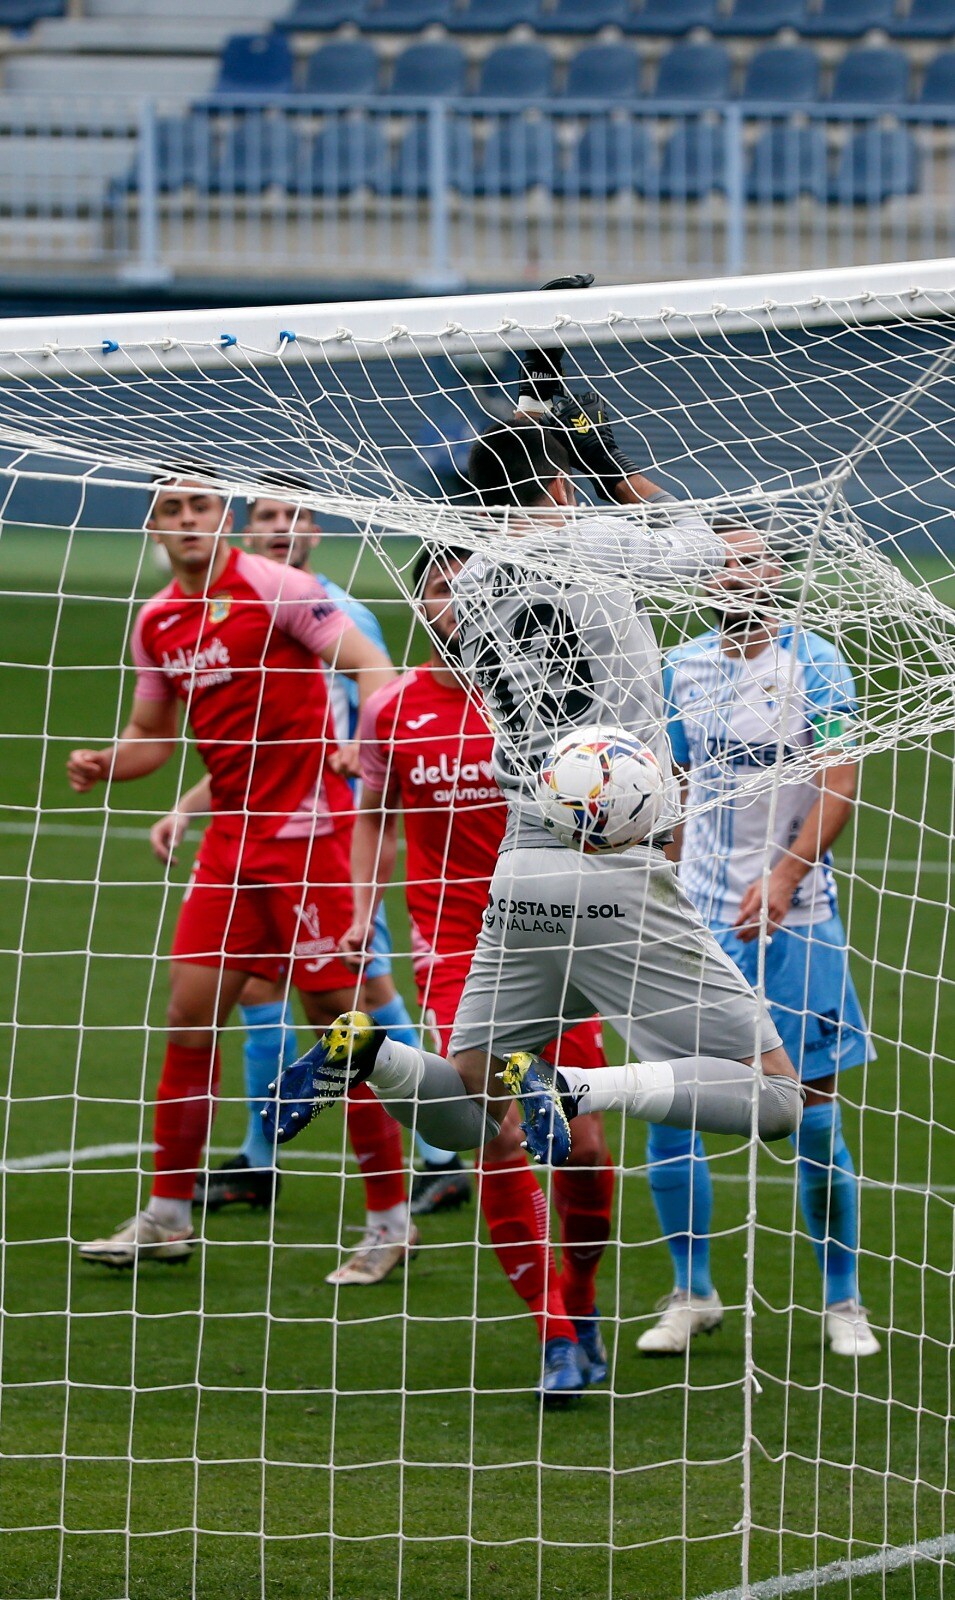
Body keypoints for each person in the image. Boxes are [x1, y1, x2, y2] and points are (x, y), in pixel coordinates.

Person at [265, 404, 802, 1245]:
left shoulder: (471, 581)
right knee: (775, 1097)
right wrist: (610, 460)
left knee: (468, 1104)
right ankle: (583, 1090)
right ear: (560, 484)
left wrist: (548, 418)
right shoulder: (597, 543)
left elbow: (532, 501)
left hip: (520, 871)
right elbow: (703, 542)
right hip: (615, 864)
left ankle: (371, 1054)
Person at [67, 477, 412, 1276]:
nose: (187, 520)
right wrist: (105, 763)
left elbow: (370, 665)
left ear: (222, 520)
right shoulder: (157, 621)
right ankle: (166, 1216)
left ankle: (390, 1222)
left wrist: (365, 746)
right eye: (171, 511)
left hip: (312, 841)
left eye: (200, 508)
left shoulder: (279, 589)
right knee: (189, 1021)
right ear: (154, 527)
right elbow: (151, 735)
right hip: (231, 845)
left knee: (342, 1032)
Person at [341, 541, 616, 1398]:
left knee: (581, 1144)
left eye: (474, 586)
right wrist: (359, 911)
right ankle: (556, 1335)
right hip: (455, 952)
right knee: (497, 1130)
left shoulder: (542, 699)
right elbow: (374, 817)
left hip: (559, 939)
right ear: (422, 603)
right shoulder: (391, 711)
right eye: (440, 587)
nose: (456, 601)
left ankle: (582, 1297)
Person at [151, 492, 466, 1229]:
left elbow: (367, 715)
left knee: (360, 1001)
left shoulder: (329, 612)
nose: (279, 528)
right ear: (248, 529)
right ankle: (260, 1159)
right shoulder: (209, 618)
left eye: (292, 516)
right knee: (256, 993)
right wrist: (189, 809)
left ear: (314, 533)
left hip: (339, 830)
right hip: (252, 836)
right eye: (265, 517)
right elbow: (256, 746)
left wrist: (371, 776)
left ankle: (440, 1152)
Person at [638, 523, 878, 1359]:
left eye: (749, 556)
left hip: (797, 921)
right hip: (697, 920)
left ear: (777, 570)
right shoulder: (680, 666)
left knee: (811, 1117)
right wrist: (656, 881)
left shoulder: (815, 663)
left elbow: (839, 781)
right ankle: (691, 1292)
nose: (735, 572)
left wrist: (780, 878)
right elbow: (668, 784)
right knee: (669, 1112)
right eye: (721, 560)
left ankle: (842, 1300)